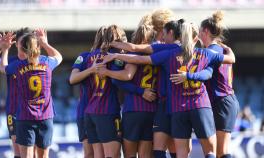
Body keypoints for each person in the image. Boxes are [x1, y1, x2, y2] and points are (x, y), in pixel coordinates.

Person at [102, 20, 236, 158]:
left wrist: (116, 53)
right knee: (210, 152)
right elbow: (219, 67)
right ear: (196, 38)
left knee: (173, 152)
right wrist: (191, 76)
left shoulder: (168, 53)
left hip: (174, 106)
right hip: (199, 105)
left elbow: (138, 56)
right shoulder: (205, 54)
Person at [170, 11, 240, 158]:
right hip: (222, 100)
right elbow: (230, 59)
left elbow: (207, 74)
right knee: (217, 150)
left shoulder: (209, 53)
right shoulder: (221, 50)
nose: (198, 35)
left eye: (200, 31)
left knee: (221, 150)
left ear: (205, 31)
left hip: (222, 101)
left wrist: (187, 75)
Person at [0, 29, 62, 158]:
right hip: (45, 116)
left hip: (25, 117)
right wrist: (45, 43)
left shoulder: (18, 66)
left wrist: (5, 49)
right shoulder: (47, 62)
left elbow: (2, 68)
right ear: (37, 47)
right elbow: (59, 57)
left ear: (22, 49)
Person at [98, 24, 157, 158]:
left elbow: (122, 78)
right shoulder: (157, 55)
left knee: (129, 155)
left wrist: (107, 71)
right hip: (152, 109)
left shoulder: (132, 55)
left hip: (133, 109)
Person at [0, 28, 32, 158]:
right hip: (13, 110)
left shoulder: (36, 62)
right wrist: (1, 47)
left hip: (31, 111)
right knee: (18, 151)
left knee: (31, 151)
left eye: (27, 42)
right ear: (16, 43)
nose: (24, 46)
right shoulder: (9, 61)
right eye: (22, 42)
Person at [84, 24, 127, 158]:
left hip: (90, 111)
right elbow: (120, 79)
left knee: (98, 155)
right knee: (112, 155)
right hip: (107, 111)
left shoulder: (89, 57)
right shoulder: (114, 57)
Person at [69, 26, 107, 158]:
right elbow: (72, 79)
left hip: (105, 111)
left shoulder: (113, 57)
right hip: (86, 111)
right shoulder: (84, 57)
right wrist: (91, 70)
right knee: (90, 153)